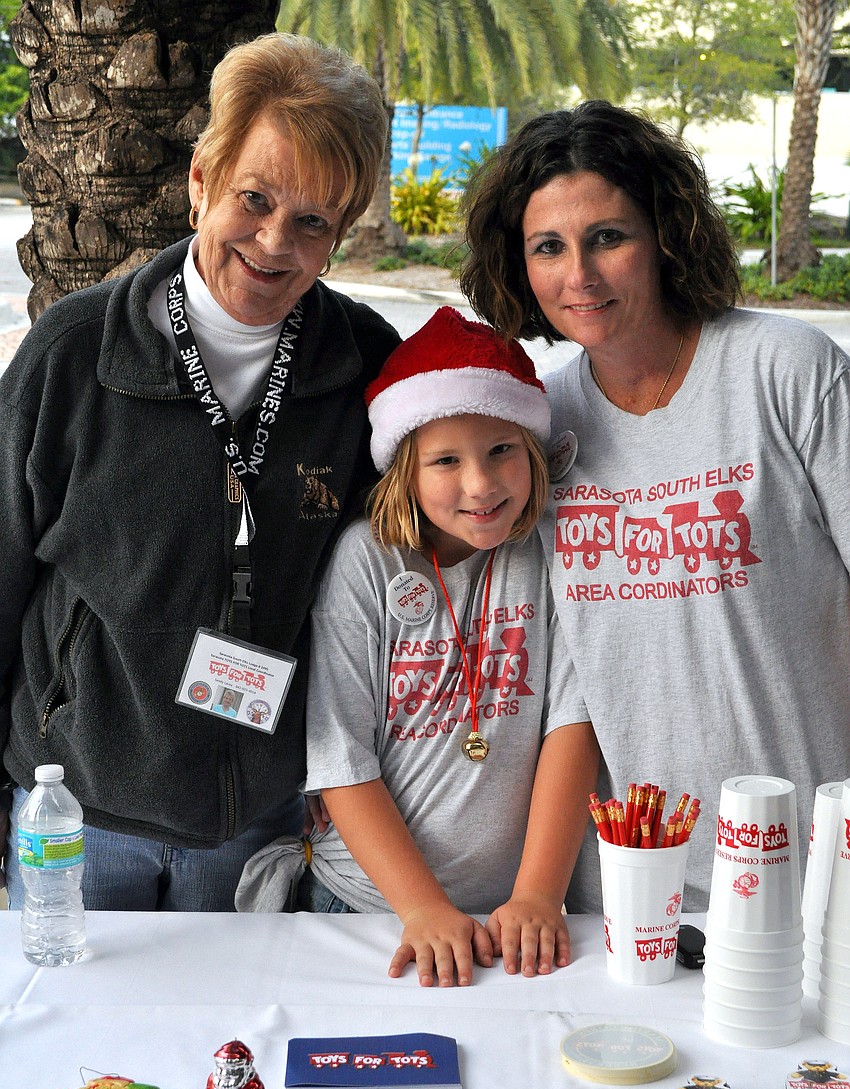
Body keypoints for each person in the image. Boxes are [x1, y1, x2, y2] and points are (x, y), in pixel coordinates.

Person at [0, 34, 399, 910]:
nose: (273, 242)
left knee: (233, 1047)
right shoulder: (72, 355)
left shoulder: (367, 368)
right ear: (201, 183)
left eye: (313, 222)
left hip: (256, 822)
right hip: (75, 811)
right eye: (254, 198)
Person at [459, 100, 850, 912]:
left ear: (666, 234)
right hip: (629, 891)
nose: (580, 276)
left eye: (608, 236)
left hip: (810, 875)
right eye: (548, 248)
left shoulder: (786, 371)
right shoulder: (535, 424)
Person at [285, 306, 598, 987]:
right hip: (369, 909)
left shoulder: (548, 553)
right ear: (405, 469)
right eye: (446, 460)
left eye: (501, 450)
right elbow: (341, 756)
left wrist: (541, 893)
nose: (481, 484)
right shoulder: (366, 564)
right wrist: (421, 906)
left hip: (512, 921)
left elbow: (572, 726)